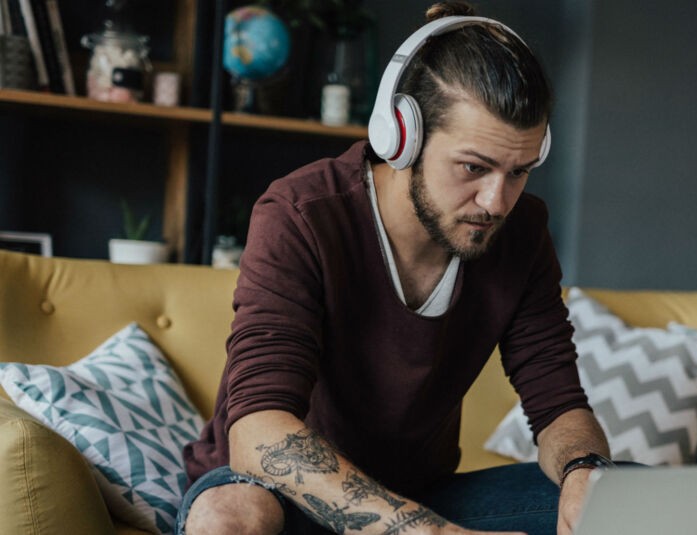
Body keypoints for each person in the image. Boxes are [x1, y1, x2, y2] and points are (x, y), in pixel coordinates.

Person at [177, 2, 611, 534]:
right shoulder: (301, 214)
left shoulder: (520, 232)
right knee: (229, 519)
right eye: (474, 168)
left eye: (519, 172)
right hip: (280, 497)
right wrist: (424, 532)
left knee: (618, 500)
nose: (497, 202)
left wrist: (585, 471)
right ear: (401, 138)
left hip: (420, 494)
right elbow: (258, 433)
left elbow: (558, 403)